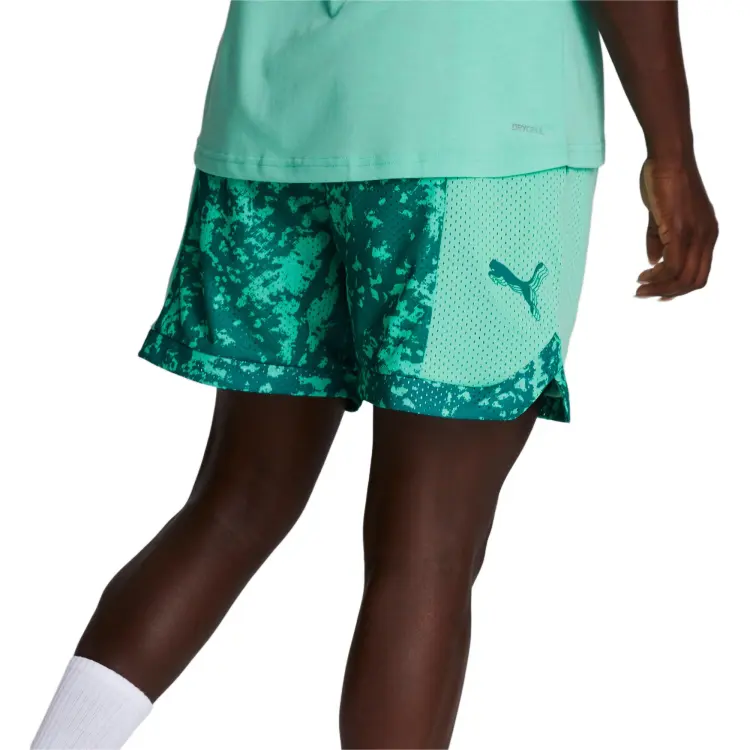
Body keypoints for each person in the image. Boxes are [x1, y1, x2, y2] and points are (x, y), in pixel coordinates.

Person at [32, 1, 718, 748]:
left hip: (272, 125)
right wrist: (672, 153)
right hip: (475, 135)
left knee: (234, 506)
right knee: (426, 544)